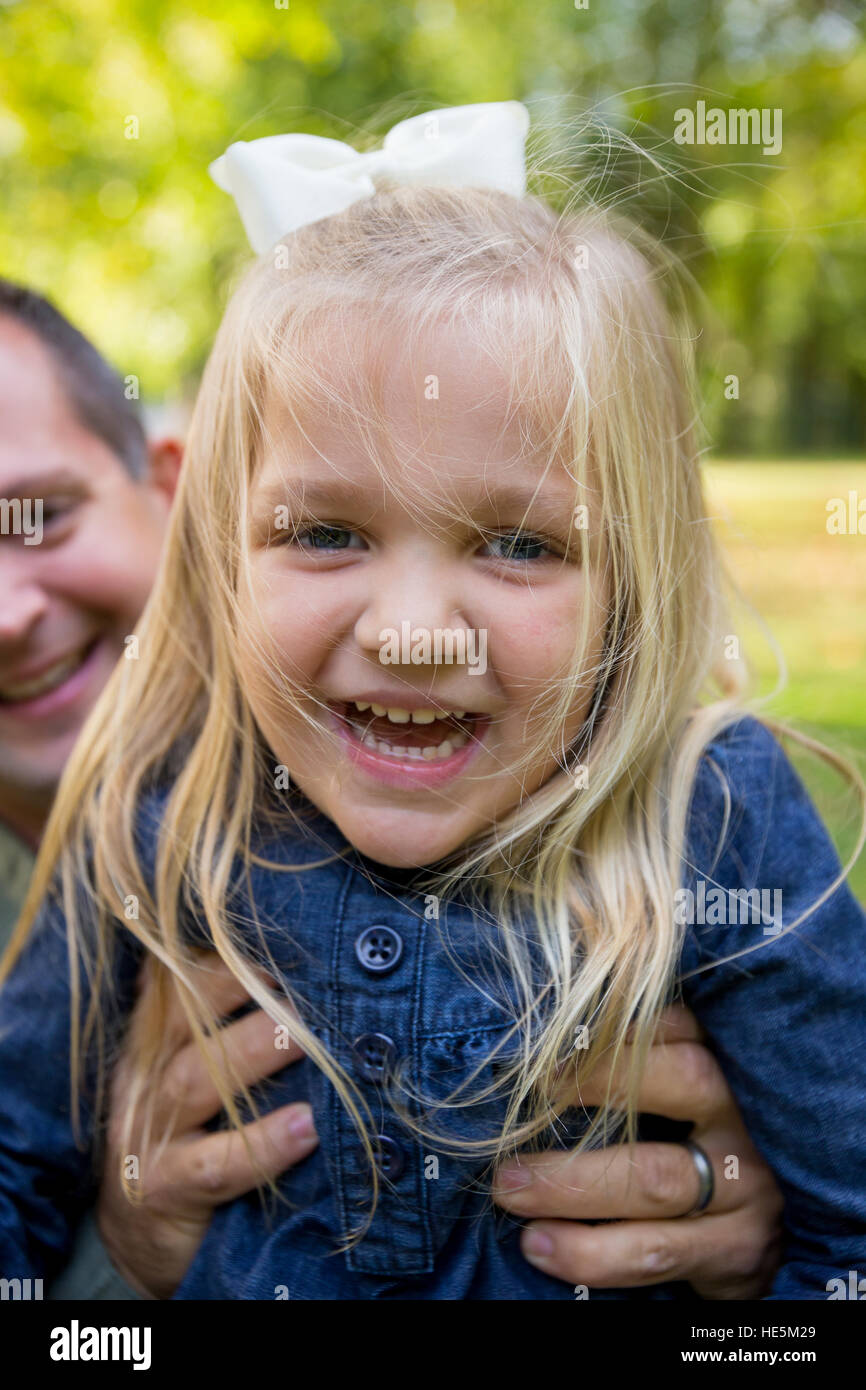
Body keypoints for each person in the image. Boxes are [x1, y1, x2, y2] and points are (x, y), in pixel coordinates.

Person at [1, 102, 827, 1297]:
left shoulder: (712, 815)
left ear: (633, 578)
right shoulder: (154, 806)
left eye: (518, 545)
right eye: (328, 532)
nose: (410, 633)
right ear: (220, 550)